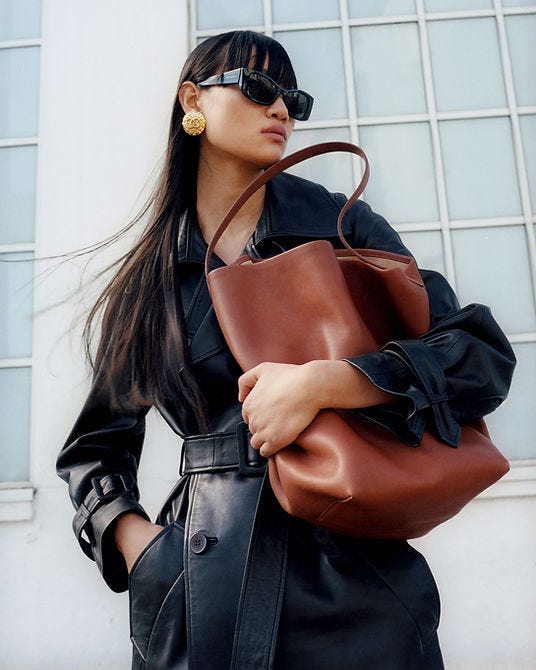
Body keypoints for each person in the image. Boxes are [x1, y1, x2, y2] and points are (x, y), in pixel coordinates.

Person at [56, 30, 515, 670]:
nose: (282, 111)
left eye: (293, 99)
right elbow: (93, 451)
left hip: (352, 569)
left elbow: (478, 353)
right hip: (199, 583)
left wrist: (331, 383)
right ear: (193, 100)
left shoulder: (339, 226)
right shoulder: (152, 278)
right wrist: (144, 554)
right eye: (259, 87)